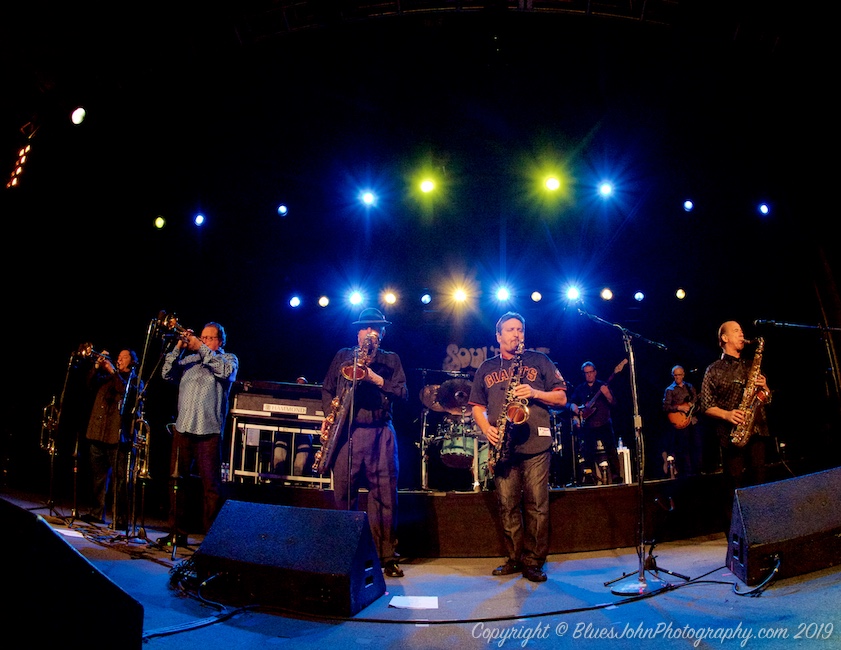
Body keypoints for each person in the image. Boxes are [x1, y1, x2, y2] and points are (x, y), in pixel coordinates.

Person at [469, 312, 567, 583]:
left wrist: (535, 393)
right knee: (507, 505)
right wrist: (486, 427)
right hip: (503, 446)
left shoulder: (540, 360)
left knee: (537, 504)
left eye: (520, 329)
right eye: (510, 330)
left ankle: (534, 561)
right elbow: (476, 406)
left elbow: (561, 397)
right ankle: (514, 558)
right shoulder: (487, 367)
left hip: (536, 442)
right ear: (498, 336)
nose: (516, 334)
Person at [319, 308, 408, 578]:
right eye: (366, 328)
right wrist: (329, 415)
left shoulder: (391, 360)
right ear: (357, 333)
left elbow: (403, 393)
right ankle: (347, 553)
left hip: (381, 432)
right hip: (348, 431)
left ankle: (386, 556)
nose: (371, 332)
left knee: (385, 497)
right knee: (344, 493)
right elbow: (327, 389)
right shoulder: (344, 356)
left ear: (382, 334)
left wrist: (374, 378)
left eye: (376, 329)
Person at [158, 322, 238, 546]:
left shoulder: (229, 359)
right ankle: (176, 533)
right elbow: (166, 374)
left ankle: (210, 540)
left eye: (208, 338)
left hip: (209, 431)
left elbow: (226, 373)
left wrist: (200, 348)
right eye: (201, 337)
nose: (203, 341)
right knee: (176, 481)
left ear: (220, 341)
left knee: (211, 487)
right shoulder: (190, 360)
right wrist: (179, 346)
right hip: (183, 428)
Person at [699, 321, 771, 517]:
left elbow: (767, 399)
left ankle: (761, 523)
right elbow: (705, 406)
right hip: (732, 435)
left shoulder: (751, 365)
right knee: (735, 484)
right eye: (737, 331)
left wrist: (765, 388)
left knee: (759, 480)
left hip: (756, 431)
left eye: (742, 331)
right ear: (725, 338)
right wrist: (727, 414)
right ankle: (737, 529)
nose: (742, 335)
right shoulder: (713, 370)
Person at [81, 349, 141, 527]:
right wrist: (96, 366)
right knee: (98, 478)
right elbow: (89, 385)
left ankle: (120, 519)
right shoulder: (105, 377)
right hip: (98, 433)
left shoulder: (134, 379)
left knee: (120, 481)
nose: (119, 359)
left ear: (132, 361)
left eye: (124, 357)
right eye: (118, 356)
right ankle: (96, 513)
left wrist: (112, 371)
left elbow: (126, 392)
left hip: (118, 438)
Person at [568, 361, 621, 485]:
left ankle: (616, 477)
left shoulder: (603, 385)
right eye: (586, 373)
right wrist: (573, 407)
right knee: (588, 453)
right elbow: (571, 403)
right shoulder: (580, 389)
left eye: (591, 372)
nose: (589, 375)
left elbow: (614, 403)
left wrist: (607, 394)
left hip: (604, 423)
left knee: (611, 451)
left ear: (595, 372)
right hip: (588, 425)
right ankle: (590, 478)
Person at [661, 364, 703, 478]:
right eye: (675, 375)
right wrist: (680, 408)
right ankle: (687, 472)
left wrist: (693, 406)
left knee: (697, 445)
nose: (678, 377)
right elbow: (665, 407)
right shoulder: (670, 390)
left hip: (692, 420)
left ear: (683, 375)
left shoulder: (690, 387)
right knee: (684, 448)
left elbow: (697, 405)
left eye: (679, 375)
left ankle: (698, 471)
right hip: (680, 421)